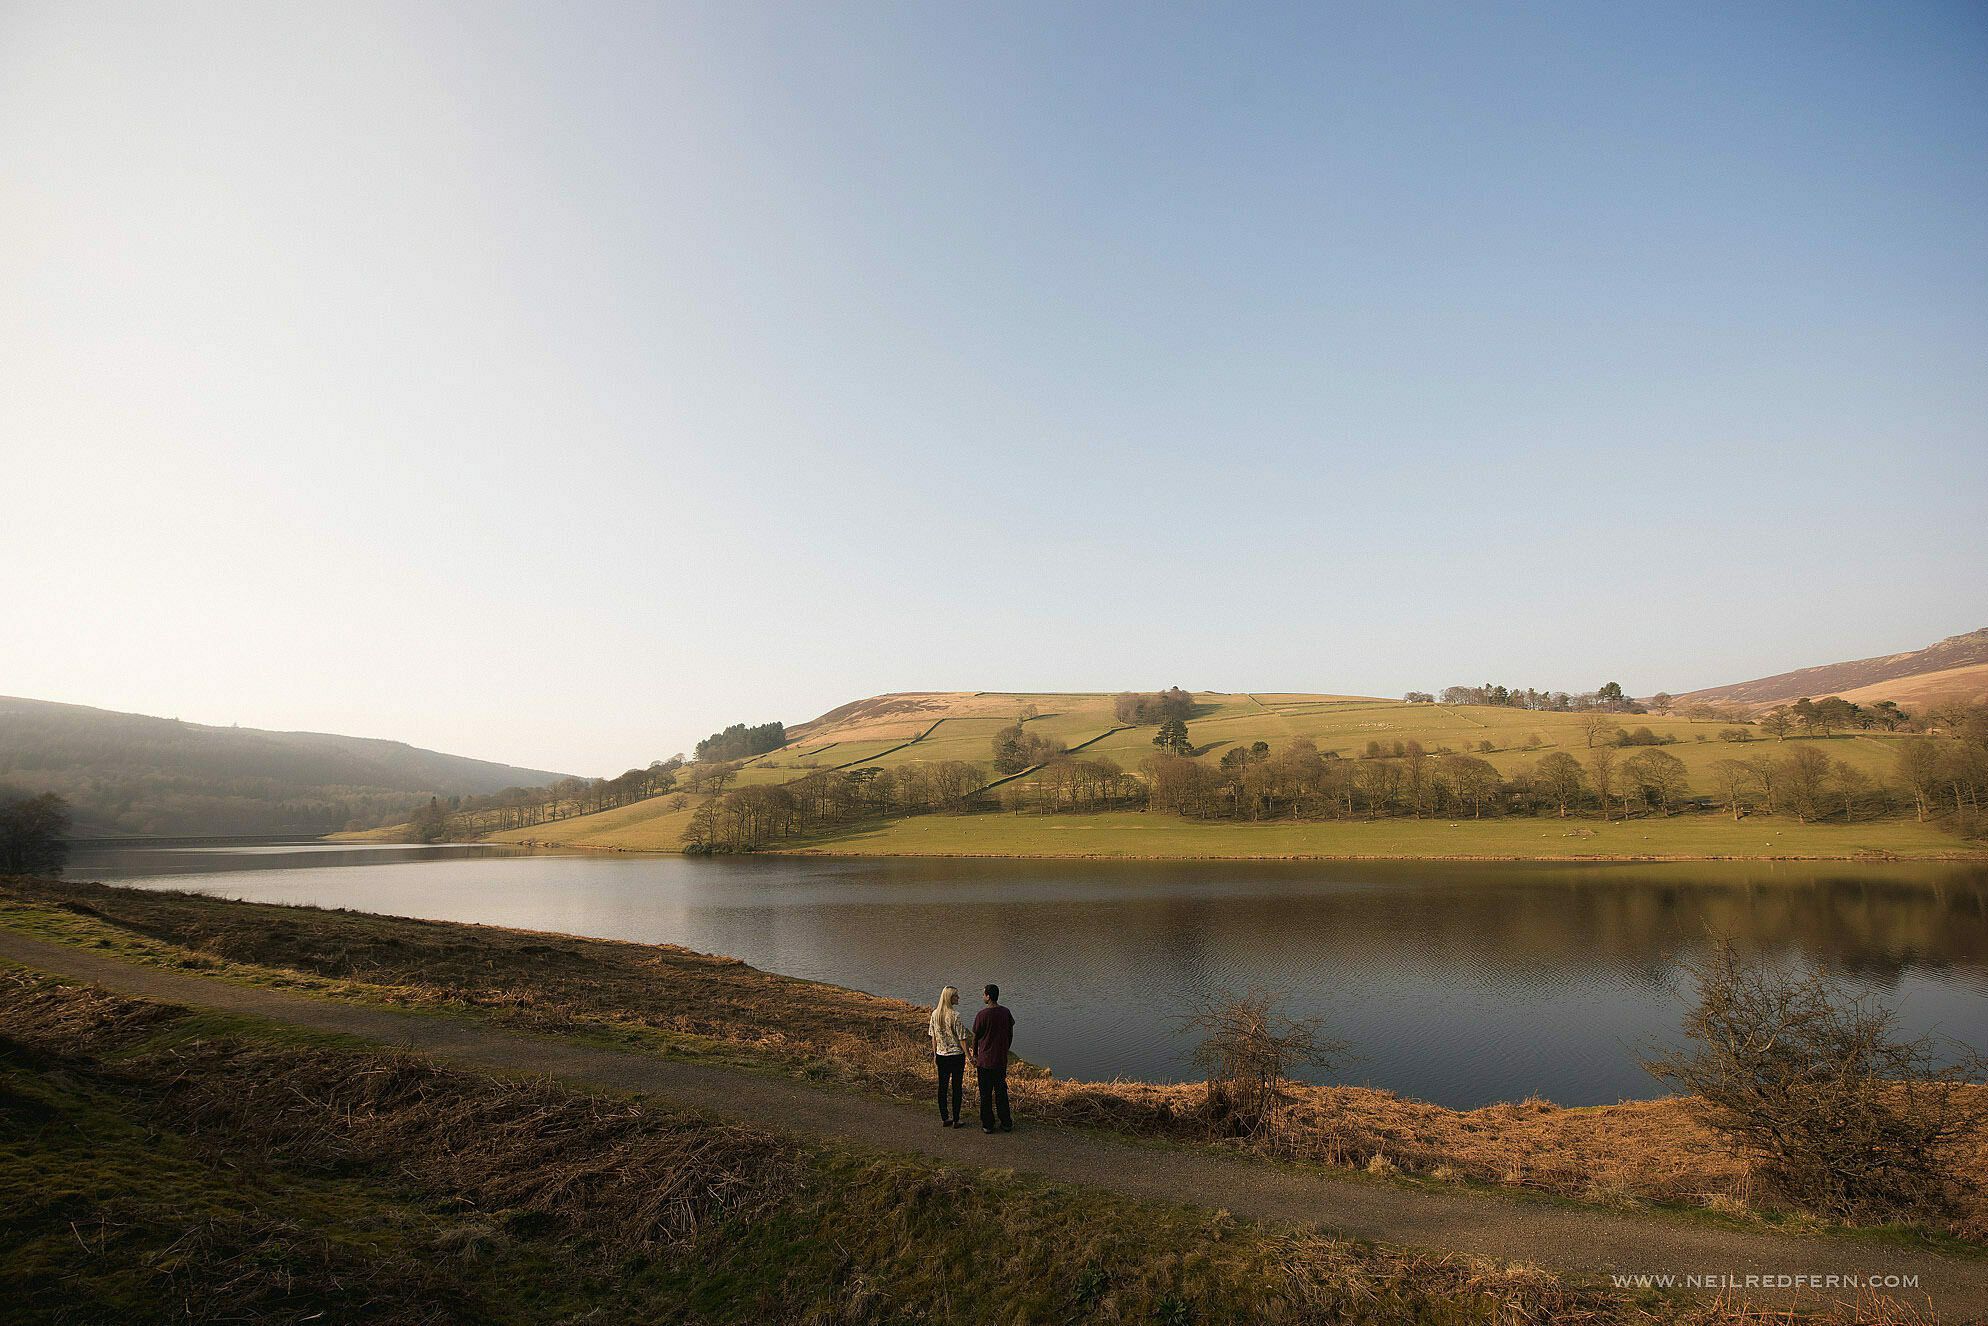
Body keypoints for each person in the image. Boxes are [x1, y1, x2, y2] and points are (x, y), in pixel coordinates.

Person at [971, 982, 1014, 1134]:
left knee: (985, 1094)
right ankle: (1006, 1122)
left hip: (985, 1062)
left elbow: (975, 1037)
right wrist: (1005, 1049)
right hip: (1000, 1061)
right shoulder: (1006, 1012)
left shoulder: (982, 1015)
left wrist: (975, 1055)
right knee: (1001, 1092)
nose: (983, 996)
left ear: (988, 997)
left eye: (984, 994)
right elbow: (1010, 1033)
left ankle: (988, 1124)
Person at [928, 985, 969, 1127]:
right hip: (956, 1056)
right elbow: (962, 1038)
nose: (958, 998)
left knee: (943, 1087)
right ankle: (956, 1119)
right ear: (949, 998)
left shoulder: (935, 1014)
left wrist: (935, 1053)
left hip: (941, 1055)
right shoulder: (955, 1015)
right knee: (957, 1088)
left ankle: (945, 1117)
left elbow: (933, 1037)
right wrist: (969, 1055)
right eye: (956, 996)